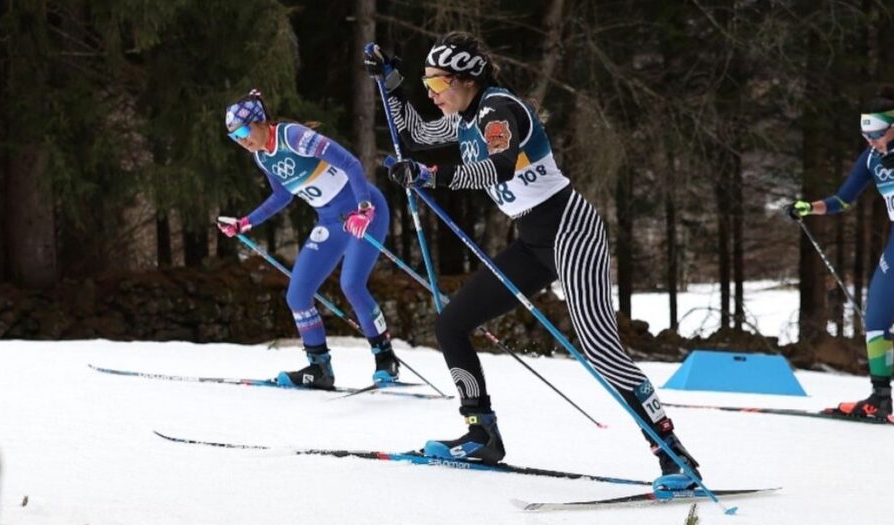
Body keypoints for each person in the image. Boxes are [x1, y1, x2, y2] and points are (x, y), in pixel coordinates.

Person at [363, 33, 700, 480]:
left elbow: (499, 166)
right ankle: (481, 433)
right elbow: (415, 134)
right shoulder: (463, 118)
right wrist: (391, 85)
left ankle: (672, 452)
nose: (431, 92)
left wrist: (430, 175)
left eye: (437, 82)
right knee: (451, 323)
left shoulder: (498, 110)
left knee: (600, 348)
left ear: (467, 79)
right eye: (426, 82)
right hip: (533, 240)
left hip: (570, 230)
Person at [218, 90, 399, 390]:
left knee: (352, 285)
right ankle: (319, 369)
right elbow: (282, 195)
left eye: (243, 131)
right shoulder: (263, 157)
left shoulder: (293, 137)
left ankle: (385, 359)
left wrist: (364, 208)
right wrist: (245, 223)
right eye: (233, 136)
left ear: (260, 121)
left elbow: (351, 164)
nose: (241, 140)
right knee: (297, 295)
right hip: (330, 222)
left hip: (365, 210)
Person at [785, 85, 894, 421]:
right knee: (875, 317)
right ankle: (880, 397)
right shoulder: (872, 159)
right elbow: (843, 199)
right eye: (865, 135)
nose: (871, 142)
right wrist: (809, 207)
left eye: (876, 134)